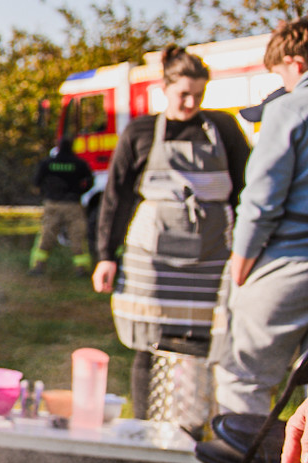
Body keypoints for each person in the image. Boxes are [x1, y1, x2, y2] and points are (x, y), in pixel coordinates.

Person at [91, 45, 250, 358]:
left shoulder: (223, 129)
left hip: (213, 254)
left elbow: (245, 191)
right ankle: (148, 408)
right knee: (149, 339)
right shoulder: (141, 131)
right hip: (152, 257)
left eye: (199, 95)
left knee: (210, 341)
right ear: (164, 88)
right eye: (183, 95)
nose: (191, 103)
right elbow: (116, 198)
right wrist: (105, 255)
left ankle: (201, 406)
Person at [208, 20, 308, 463]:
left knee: (244, 378)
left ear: (294, 61)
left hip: (288, 264)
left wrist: (242, 264)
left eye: (280, 74)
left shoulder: (290, 109)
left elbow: (262, 198)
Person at [30, 138, 94, 274]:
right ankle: (81, 269)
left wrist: (46, 194)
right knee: (77, 237)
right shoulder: (79, 164)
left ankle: (38, 266)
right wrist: (79, 192)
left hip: (52, 204)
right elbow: (89, 181)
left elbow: (36, 182)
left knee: (46, 236)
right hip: (72, 205)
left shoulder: (47, 163)